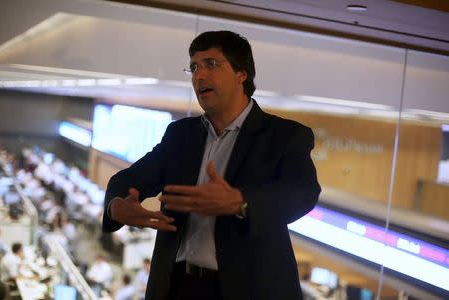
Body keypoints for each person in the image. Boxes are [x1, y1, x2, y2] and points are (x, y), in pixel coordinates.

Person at [102, 30, 321, 300]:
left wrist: (241, 202)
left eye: (211, 64)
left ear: (241, 74)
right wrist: (116, 206)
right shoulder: (181, 135)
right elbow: (127, 180)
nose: (199, 76)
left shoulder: (284, 136)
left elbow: (303, 192)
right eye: (193, 67)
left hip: (247, 289)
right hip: (176, 286)